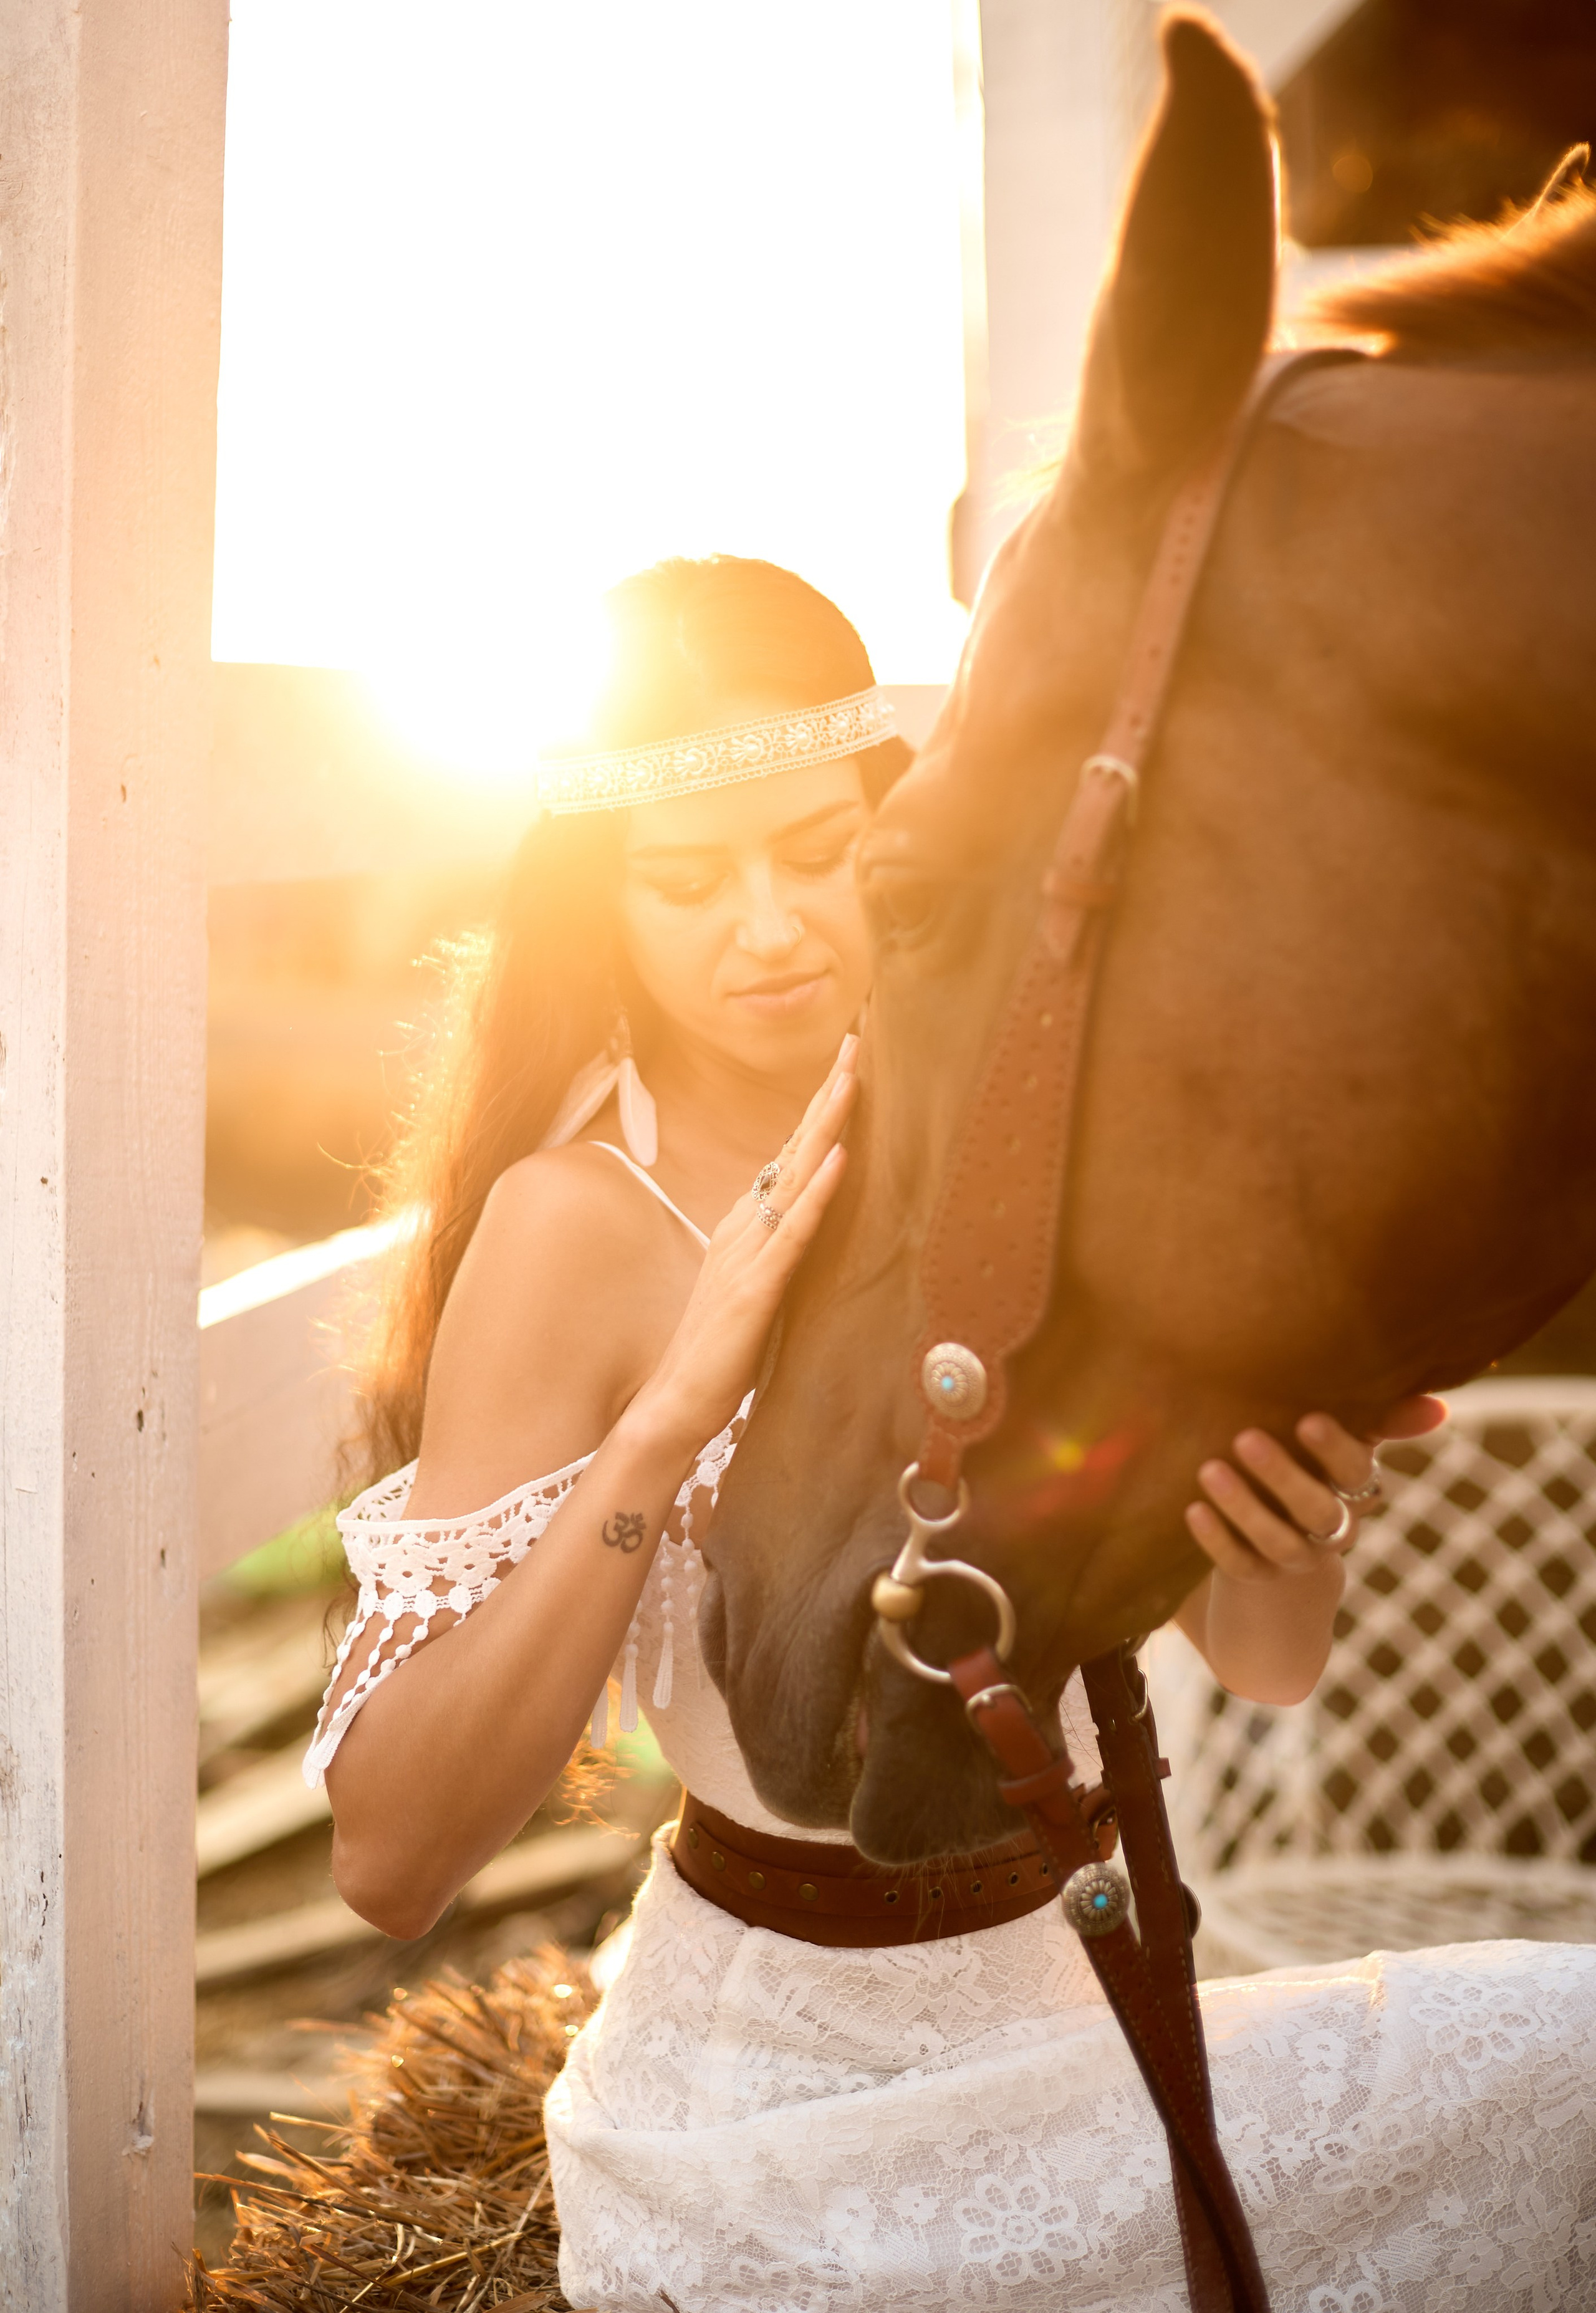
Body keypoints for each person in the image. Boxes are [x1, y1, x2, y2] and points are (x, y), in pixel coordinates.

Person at [308, 556, 1596, 2312]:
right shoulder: (574, 1227)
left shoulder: (1041, 1144)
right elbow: (391, 1861)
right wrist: (671, 1412)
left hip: (1078, 2006)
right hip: (765, 2111)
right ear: (601, 902)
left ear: (893, 826)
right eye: (686, 883)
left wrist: (1295, 1529)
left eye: (818, 853)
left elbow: (1265, 1661)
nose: (765, 927)